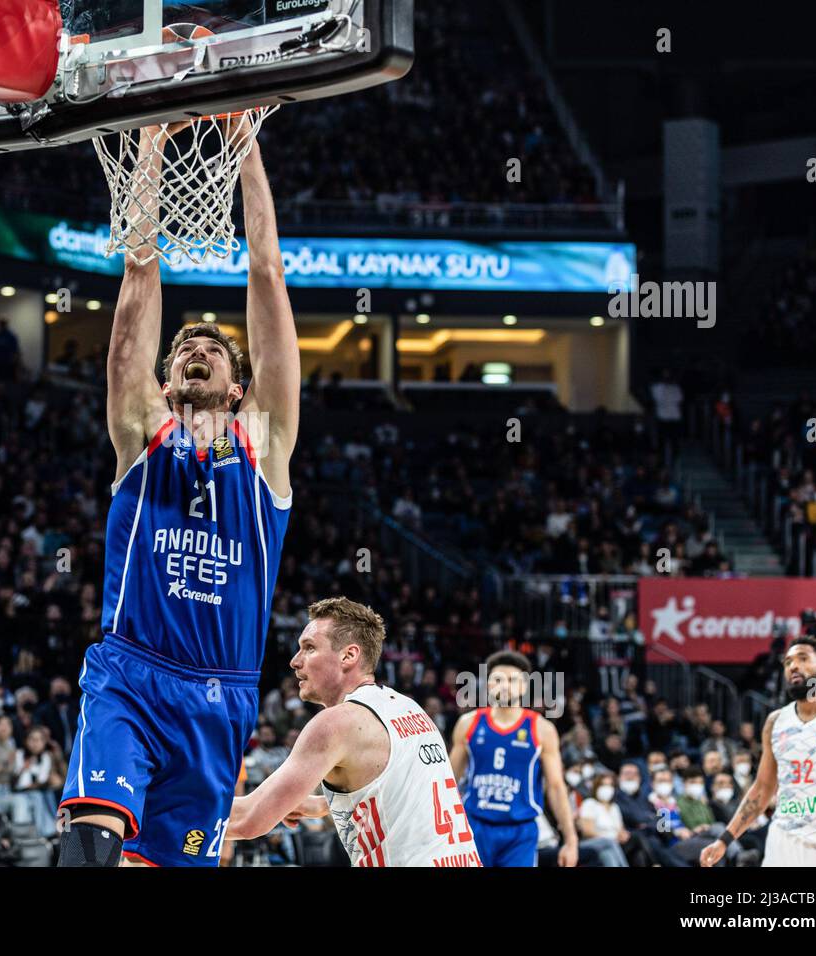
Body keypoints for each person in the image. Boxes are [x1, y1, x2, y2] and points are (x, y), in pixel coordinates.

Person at [58, 126, 299, 867]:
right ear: (165, 384)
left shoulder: (266, 447)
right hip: (130, 673)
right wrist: (154, 144)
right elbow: (138, 275)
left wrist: (246, 140)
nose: (197, 349)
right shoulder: (142, 433)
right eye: (184, 350)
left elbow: (266, 275)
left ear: (238, 385)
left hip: (221, 698)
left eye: (214, 350)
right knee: (93, 842)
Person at [226, 598, 480, 867]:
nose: (294, 661)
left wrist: (178, 816)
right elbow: (398, 789)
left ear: (349, 655)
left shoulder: (335, 724)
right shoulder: (409, 708)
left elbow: (248, 819)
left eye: (309, 648)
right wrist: (324, 805)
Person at [702, 636, 816, 867]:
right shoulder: (775, 722)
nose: (793, 666)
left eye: (803, 658)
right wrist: (724, 839)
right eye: (788, 662)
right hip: (783, 839)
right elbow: (763, 788)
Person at [449, 650, 580, 867]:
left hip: (520, 832)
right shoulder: (468, 724)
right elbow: (449, 781)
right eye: (498, 679)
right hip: (475, 826)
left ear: (524, 686)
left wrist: (571, 839)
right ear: (488, 684)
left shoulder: (542, 729)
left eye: (512, 680)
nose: (505, 685)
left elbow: (556, 787)